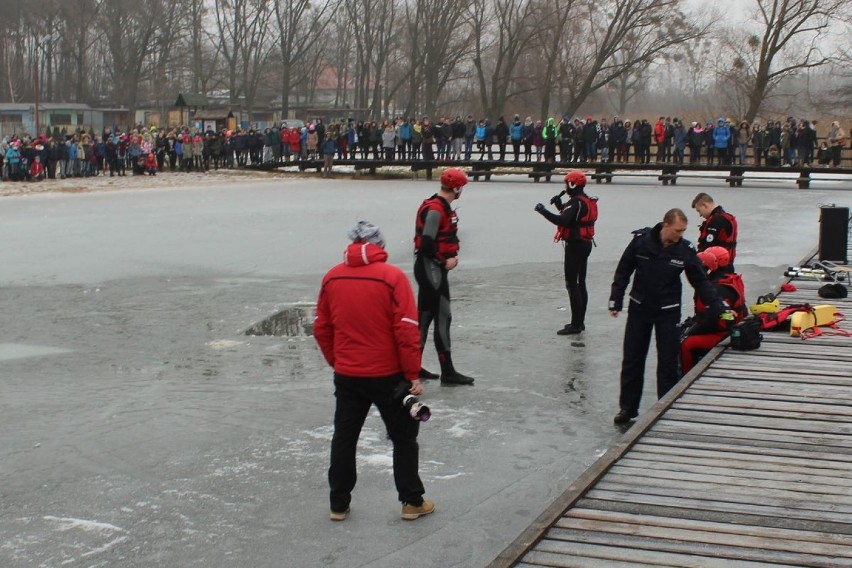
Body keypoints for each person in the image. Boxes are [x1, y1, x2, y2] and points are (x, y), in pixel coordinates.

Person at [314, 221, 435, 522]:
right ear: (380, 245)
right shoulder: (392, 277)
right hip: (388, 376)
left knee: (344, 437)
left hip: (348, 375)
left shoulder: (332, 277)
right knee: (404, 438)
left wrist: (337, 361)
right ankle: (411, 502)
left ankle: (338, 504)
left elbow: (322, 328)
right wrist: (412, 375)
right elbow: (407, 330)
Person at [609, 208, 726, 424]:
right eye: (677, 231)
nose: (679, 235)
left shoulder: (684, 249)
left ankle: (664, 407)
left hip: (668, 311)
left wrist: (717, 305)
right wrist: (616, 298)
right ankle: (628, 409)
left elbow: (699, 280)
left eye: (683, 231)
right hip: (639, 309)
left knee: (668, 362)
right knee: (633, 360)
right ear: (665, 225)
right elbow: (624, 270)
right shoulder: (641, 242)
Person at [414, 167, 474, 385]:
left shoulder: (439, 206)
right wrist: (444, 261)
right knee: (442, 317)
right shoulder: (436, 210)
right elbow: (426, 244)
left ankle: (413, 367)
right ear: (456, 188)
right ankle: (448, 372)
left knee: (425, 317)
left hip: (430, 269)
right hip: (431, 270)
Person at [534, 171, 598, 335]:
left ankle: (576, 324)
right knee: (581, 282)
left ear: (572, 185)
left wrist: (543, 211)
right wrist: (559, 205)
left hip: (575, 245)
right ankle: (580, 322)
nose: (565, 186)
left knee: (572, 283)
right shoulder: (584, 201)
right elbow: (571, 216)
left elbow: (563, 220)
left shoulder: (576, 202)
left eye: (566, 183)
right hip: (585, 244)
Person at [680, 246, 746, 373]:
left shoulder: (717, 289)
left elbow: (715, 321)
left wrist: (692, 331)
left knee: (686, 344)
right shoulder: (730, 279)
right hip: (729, 327)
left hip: (724, 333)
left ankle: (685, 376)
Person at [691, 192, 738, 268]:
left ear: (705, 205)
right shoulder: (727, 217)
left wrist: (694, 261)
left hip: (716, 266)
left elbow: (708, 246)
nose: (700, 215)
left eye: (699, 211)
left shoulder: (716, 220)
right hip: (727, 264)